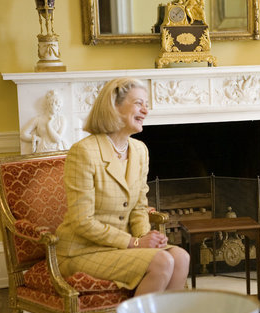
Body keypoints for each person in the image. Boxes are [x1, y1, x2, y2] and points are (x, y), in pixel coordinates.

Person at [56, 77, 190, 296]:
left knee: (181, 257)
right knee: (162, 262)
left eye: (146, 104)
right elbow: (83, 222)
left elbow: (139, 207)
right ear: (114, 106)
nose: (145, 110)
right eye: (139, 103)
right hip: (82, 251)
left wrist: (149, 240)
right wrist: (136, 242)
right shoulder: (84, 152)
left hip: (123, 248)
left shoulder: (140, 150)